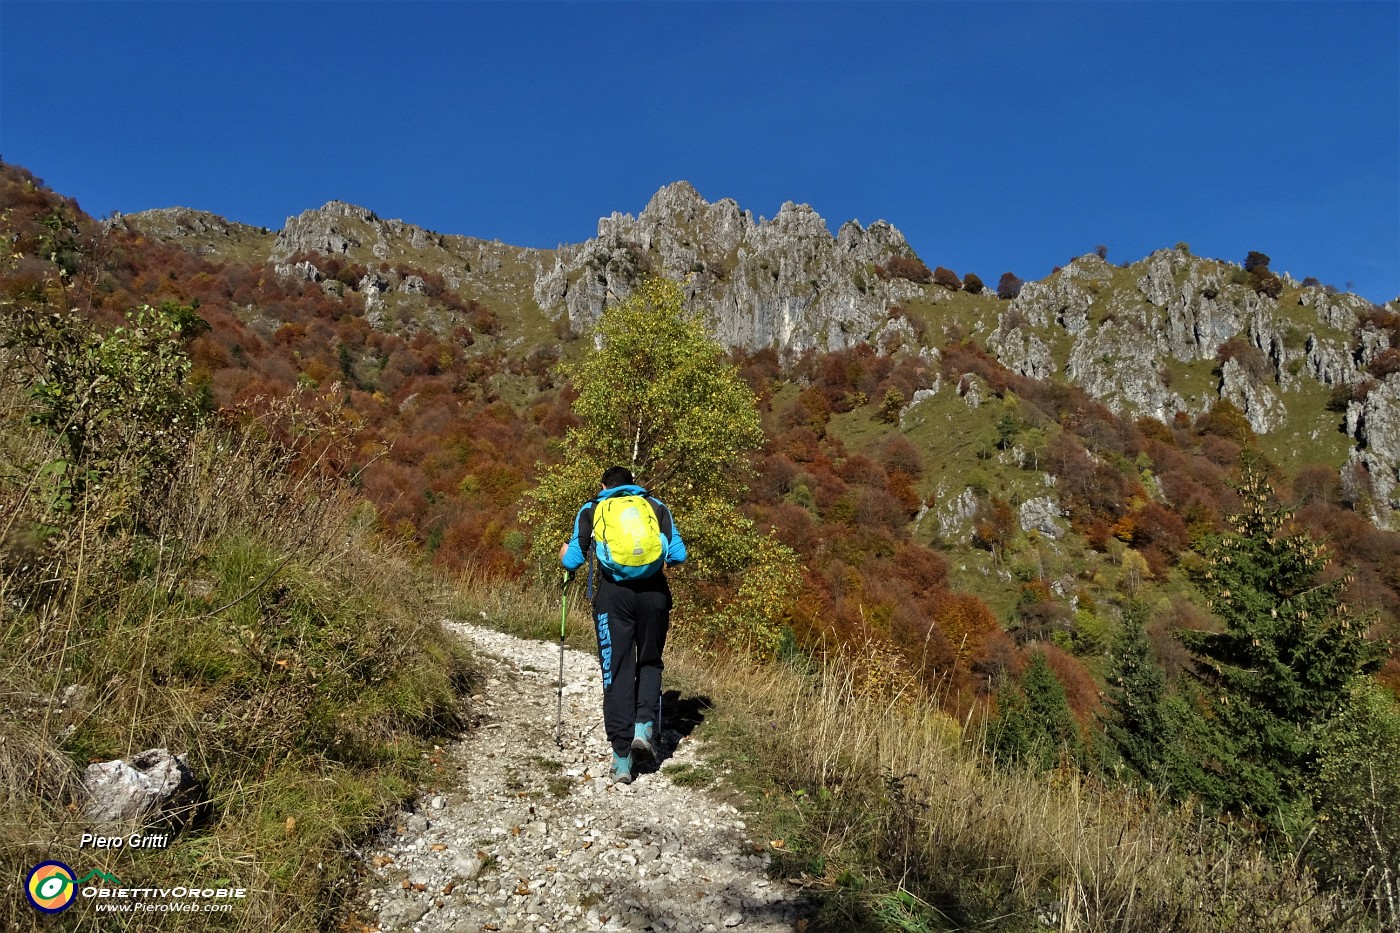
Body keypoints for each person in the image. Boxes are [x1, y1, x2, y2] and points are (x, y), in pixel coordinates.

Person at [560, 466, 686, 785]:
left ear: (603, 486)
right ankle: (643, 727)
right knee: (649, 660)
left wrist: (565, 556)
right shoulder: (655, 506)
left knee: (615, 669)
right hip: (654, 594)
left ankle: (621, 761)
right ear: (634, 486)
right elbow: (678, 554)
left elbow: (574, 560)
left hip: (613, 597)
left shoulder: (592, 508)